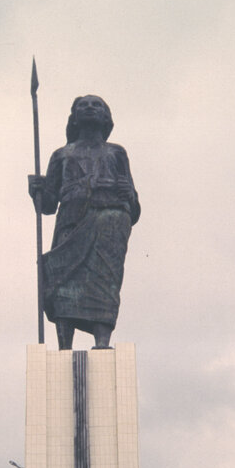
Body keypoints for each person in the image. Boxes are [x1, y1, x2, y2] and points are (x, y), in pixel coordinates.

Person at [28, 95, 140, 350]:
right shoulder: (61, 155)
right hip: (72, 220)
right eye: (83, 105)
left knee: (104, 280)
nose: (90, 108)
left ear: (106, 117)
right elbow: (47, 204)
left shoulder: (117, 153)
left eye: (96, 105)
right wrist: (35, 189)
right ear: (74, 118)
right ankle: (64, 346)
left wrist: (129, 195)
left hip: (110, 220)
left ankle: (102, 343)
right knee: (62, 279)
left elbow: (134, 205)